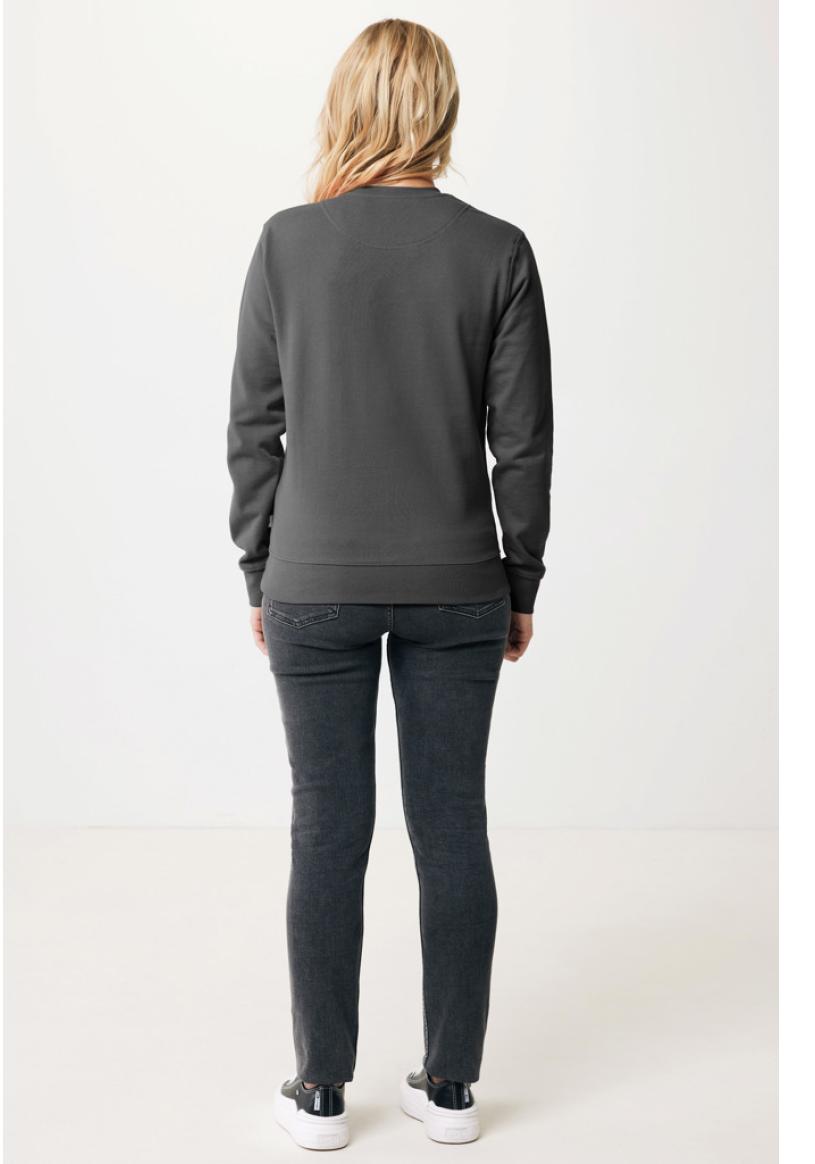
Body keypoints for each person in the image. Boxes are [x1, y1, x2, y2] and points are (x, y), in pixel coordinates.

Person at [226, 18, 553, 1150]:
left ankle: (321, 1091)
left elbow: (253, 430)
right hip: (459, 584)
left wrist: (260, 567)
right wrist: (521, 578)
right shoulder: (498, 251)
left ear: (347, 106)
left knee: (328, 831)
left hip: (312, 582)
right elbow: (523, 444)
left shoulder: (287, 244)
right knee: (451, 825)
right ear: (442, 112)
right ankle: (451, 1089)